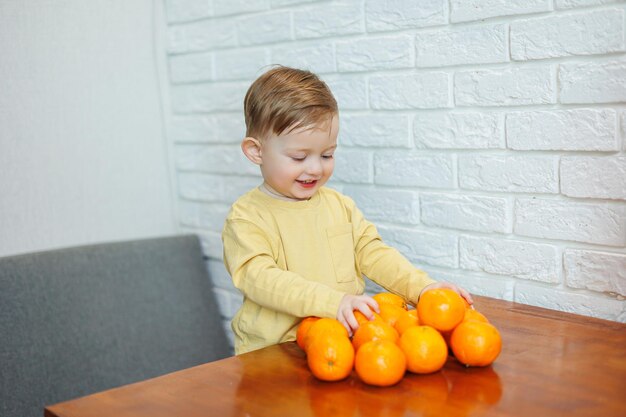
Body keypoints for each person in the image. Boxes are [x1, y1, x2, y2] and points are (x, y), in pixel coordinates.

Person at [222, 66, 472, 355]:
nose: (316, 168)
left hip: (343, 345)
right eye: (299, 156)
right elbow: (260, 278)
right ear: (256, 151)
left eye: (327, 154)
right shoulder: (246, 217)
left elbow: (374, 254)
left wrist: (423, 288)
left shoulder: (340, 206)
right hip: (273, 354)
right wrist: (334, 302)